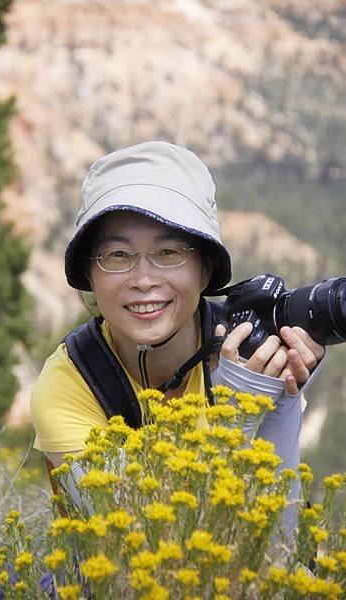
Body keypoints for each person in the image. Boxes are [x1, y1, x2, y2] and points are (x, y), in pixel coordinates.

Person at [30, 141, 324, 538]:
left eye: (169, 252)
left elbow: (284, 545)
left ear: (205, 271)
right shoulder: (70, 384)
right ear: (90, 276)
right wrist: (234, 419)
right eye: (117, 255)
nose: (144, 279)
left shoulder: (249, 354)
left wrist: (282, 403)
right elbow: (138, 543)